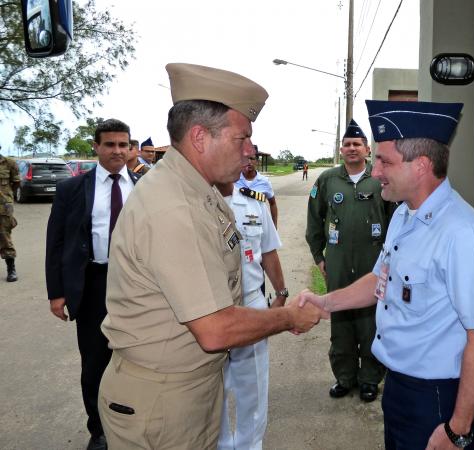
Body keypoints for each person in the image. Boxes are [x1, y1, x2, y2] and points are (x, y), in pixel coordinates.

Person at [98, 63, 322, 450]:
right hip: (164, 405)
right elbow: (215, 328)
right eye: (242, 139)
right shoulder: (175, 208)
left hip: (185, 391)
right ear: (200, 137)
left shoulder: (199, 192)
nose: (250, 150)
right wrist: (288, 316)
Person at [301, 100, 474, 450]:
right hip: (398, 387)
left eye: (384, 161)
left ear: (421, 166)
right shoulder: (404, 216)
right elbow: (380, 279)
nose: (375, 171)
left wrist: (457, 429)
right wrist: (325, 302)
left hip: (438, 399)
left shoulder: (463, 235)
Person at [45, 119, 139, 450]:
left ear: (130, 148)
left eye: (123, 145)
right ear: (96, 147)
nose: (117, 151)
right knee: (95, 360)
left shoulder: (144, 187)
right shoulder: (72, 189)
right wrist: (56, 292)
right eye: (110, 144)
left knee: (137, 357)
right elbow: (56, 242)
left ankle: (132, 422)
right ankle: (98, 430)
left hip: (137, 286)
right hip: (94, 283)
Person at [305, 118, 391, 403]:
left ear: (367, 149)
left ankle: (369, 379)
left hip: (374, 264)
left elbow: (396, 223)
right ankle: (344, 377)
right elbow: (314, 222)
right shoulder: (327, 180)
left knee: (371, 323)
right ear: (341, 150)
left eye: (357, 144)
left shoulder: (380, 181)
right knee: (340, 320)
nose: (352, 148)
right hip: (339, 263)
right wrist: (319, 258)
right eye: (347, 144)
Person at [215, 180, 287, 450]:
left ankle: (249, 445)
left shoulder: (255, 201)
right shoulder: (196, 199)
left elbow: (268, 251)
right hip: (211, 310)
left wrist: (281, 292)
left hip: (252, 304)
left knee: (254, 388)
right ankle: (219, 444)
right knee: (212, 389)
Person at [235, 145, 278, 227]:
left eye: (252, 158)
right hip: (239, 228)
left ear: (257, 161)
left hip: (259, 227)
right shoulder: (234, 180)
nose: (249, 162)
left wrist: (274, 226)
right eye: (246, 158)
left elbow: (273, 204)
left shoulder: (264, 182)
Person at [0, 147, 20, 282]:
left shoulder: (9, 163)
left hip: (3, 207)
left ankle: (11, 269)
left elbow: (16, 182)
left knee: (4, 236)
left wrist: (8, 198)